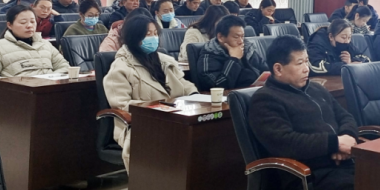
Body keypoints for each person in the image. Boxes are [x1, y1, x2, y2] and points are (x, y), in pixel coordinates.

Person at [249, 35, 358, 190]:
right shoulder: (265, 100)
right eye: (300, 63)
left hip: (344, 165)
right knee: (370, 189)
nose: (307, 68)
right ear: (278, 69)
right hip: (310, 178)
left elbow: (346, 116)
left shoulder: (316, 88)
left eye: (307, 61)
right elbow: (286, 143)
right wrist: (335, 144)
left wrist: (348, 136)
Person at [104, 15, 198, 171]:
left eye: (155, 33)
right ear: (134, 36)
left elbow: (183, 84)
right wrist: (159, 107)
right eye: (148, 34)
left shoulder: (165, 60)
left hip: (176, 118)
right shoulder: (120, 67)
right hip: (142, 123)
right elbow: (122, 105)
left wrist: (194, 95)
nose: (153, 38)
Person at [0, 5, 70, 87]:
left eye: (32, 22)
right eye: (23, 22)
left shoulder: (45, 44)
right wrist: (15, 85)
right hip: (20, 95)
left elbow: (64, 67)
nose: (29, 26)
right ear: (9, 25)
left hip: (49, 90)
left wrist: (50, 80)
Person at [195, 15, 267, 91]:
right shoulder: (209, 56)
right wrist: (234, 59)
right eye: (236, 37)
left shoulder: (247, 48)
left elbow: (265, 70)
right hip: (230, 96)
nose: (241, 41)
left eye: (242, 36)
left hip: (254, 93)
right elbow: (219, 87)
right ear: (220, 37)